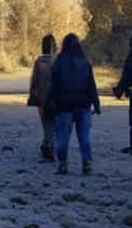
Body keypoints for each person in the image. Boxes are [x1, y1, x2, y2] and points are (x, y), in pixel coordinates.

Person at [43, 33, 101, 175]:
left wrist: (49, 103)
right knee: (84, 137)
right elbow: (91, 85)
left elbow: (54, 86)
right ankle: (86, 163)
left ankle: (63, 164)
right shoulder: (85, 62)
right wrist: (96, 103)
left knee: (62, 137)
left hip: (64, 106)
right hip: (83, 105)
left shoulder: (59, 62)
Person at [26, 34, 57, 162]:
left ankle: (47, 146)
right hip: (56, 96)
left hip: (42, 97)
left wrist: (32, 94)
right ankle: (49, 146)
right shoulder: (58, 61)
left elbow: (34, 81)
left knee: (46, 124)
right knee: (54, 124)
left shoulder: (38, 62)